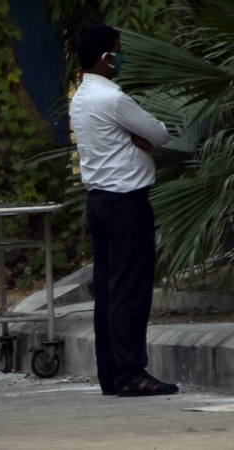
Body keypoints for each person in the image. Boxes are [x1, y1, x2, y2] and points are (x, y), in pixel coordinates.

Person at [70, 25, 178, 397]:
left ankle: (112, 373)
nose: (121, 58)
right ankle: (132, 373)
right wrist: (145, 139)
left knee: (109, 291)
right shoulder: (113, 99)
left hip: (99, 202)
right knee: (130, 290)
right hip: (126, 203)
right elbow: (160, 133)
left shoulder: (82, 97)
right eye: (117, 51)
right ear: (105, 57)